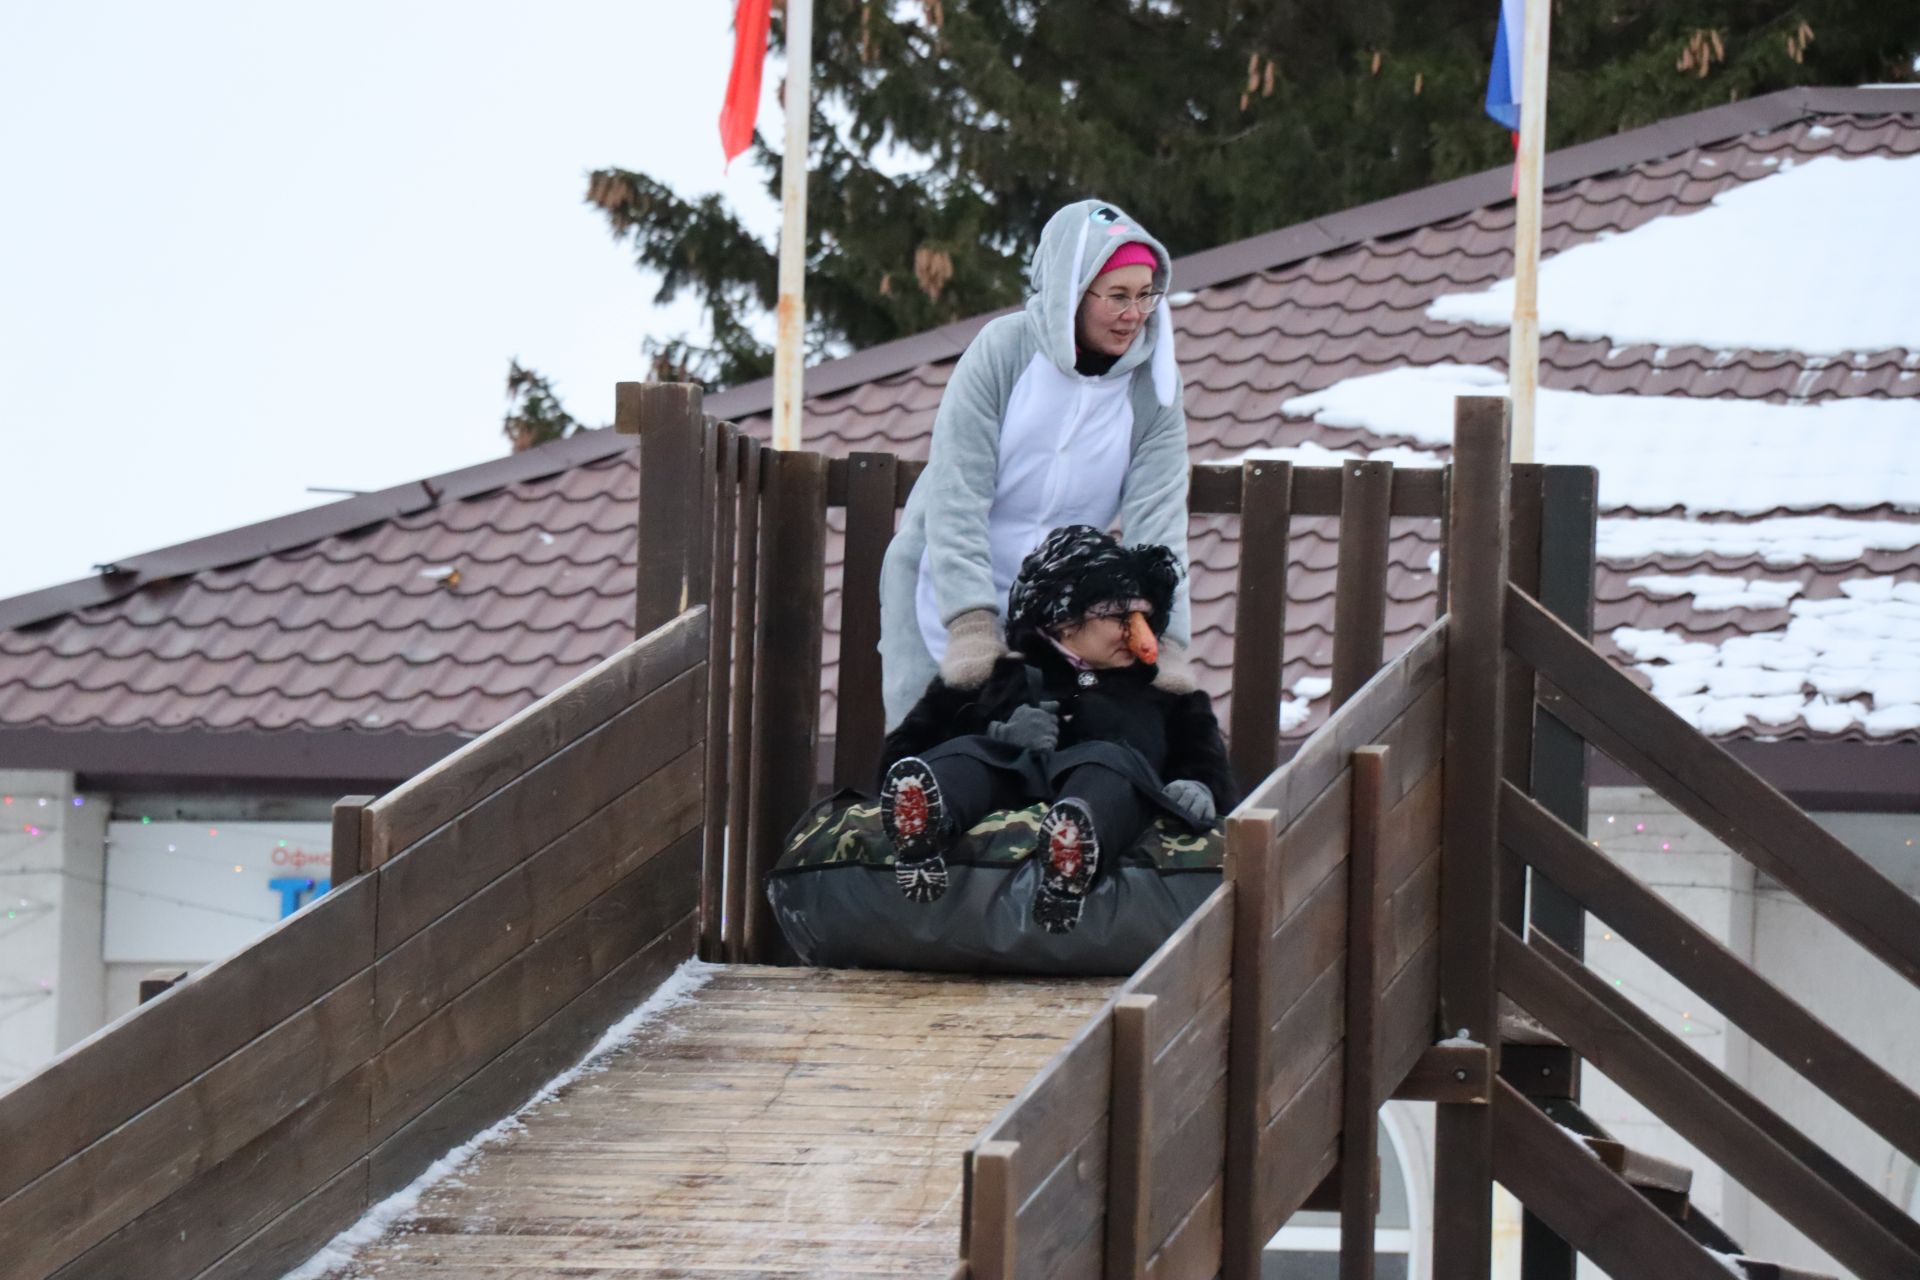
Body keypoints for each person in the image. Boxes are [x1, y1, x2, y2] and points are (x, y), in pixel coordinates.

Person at [877, 199, 1194, 730]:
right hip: (943, 585)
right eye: (1117, 295)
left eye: (1146, 296)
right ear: (1072, 291)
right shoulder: (1003, 352)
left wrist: (1168, 643)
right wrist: (972, 625)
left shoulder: (1153, 388)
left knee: (1034, 765)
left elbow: (1158, 527)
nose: (1133, 314)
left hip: (1057, 610)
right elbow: (958, 493)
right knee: (931, 762)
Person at [876, 526, 1236, 935]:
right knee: (974, 755)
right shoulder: (989, 678)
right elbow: (899, 759)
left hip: (1110, 800)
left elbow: (1214, 777)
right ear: (1065, 620)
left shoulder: (1169, 698)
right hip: (1003, 794)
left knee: (1113, 763)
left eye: (1146, 619)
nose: (1139, 634)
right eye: (1120, 616)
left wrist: (1197, 786)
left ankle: (1071, 853)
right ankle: (924, 831)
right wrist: (996, 734)